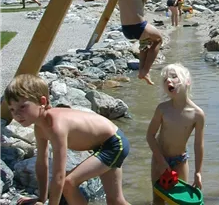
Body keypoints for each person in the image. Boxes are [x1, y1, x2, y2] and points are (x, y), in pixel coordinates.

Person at [5, 74, 131, 205]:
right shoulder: (40, 127)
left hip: (114, 143)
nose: (17, 114)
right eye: (12, 109)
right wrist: (41, 199)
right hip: (104, 143)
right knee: (116, 201)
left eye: (22, 107)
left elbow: (59, 175)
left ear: (42, 102)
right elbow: (42, 164)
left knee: (68, 183)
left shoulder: (56, 126)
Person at [146, 64, 205, 205]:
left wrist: (198, 172)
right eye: (165, 79)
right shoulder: (162, 109)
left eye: (174, 77)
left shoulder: (197, 114)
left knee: (180, 201)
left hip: (180, 160)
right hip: (160, 158)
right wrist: (161, 161)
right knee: (158, 200)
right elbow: (150, 136)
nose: (168, 81)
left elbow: (198, 145)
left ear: (187, 81)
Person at [115, 0, 162, 85]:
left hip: (127, 29)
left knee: (145, 44)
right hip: (138, 26)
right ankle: (145, 70)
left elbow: (141, 2)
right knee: (158, 40)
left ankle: (142, 71)